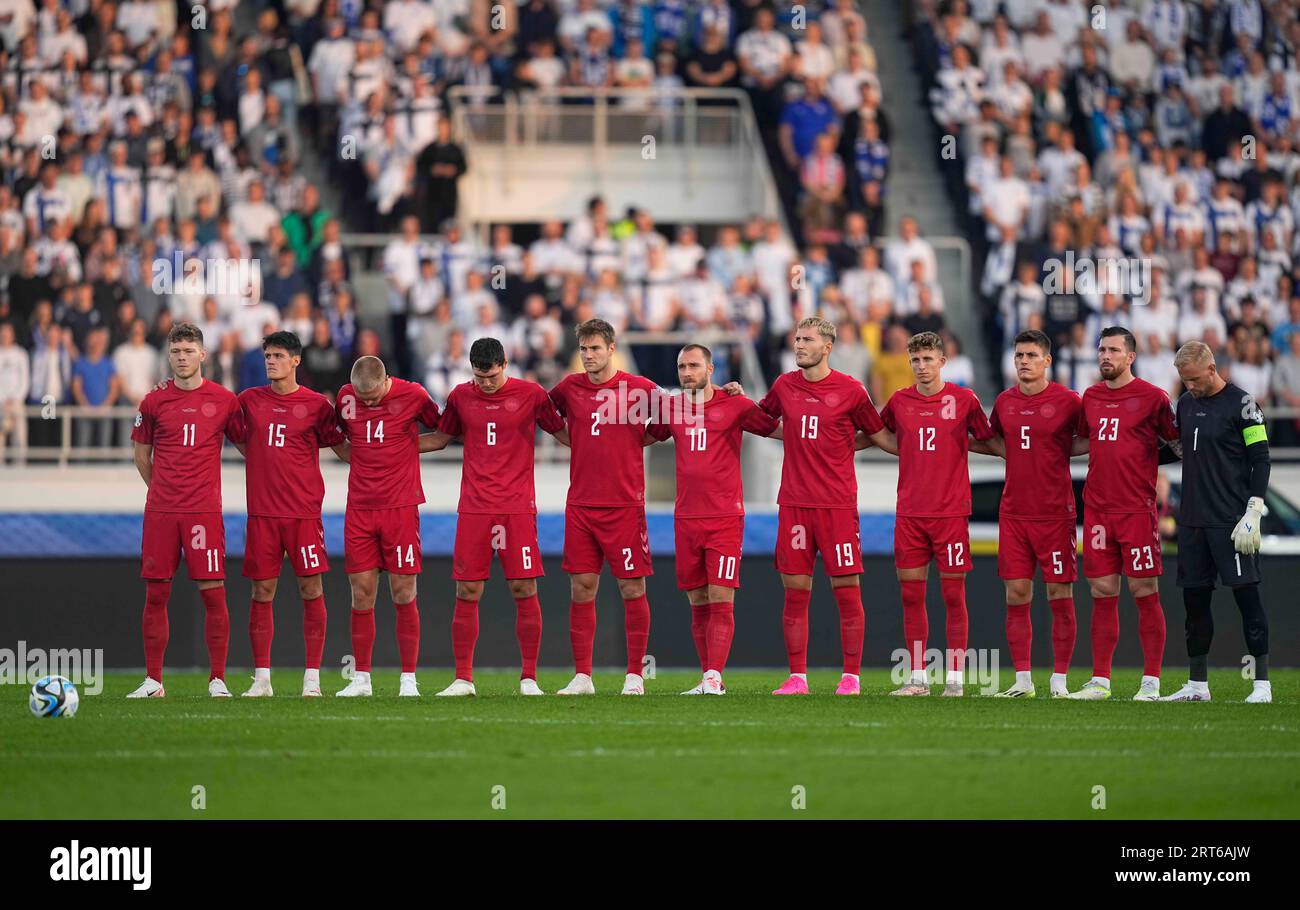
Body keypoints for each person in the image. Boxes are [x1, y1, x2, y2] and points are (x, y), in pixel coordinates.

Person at [419, 337, 570, 697]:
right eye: (479, 377)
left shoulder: (531, 394)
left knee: (524, 586)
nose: (485, 384)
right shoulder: (460, 396)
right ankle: (463, 679)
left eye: (491, 376)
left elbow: (561, 431)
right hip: (474, 507)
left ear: (505, 364)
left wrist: (606, 447)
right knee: (468, 589)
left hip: (517, 507)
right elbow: (441, 438)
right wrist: (387, 447)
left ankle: (529, 678)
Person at [758, 316, 891, 696]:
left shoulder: (851, 390)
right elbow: (762, 419)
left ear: (827, 347)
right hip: (795, 504)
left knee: (847, 590)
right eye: (796, 338)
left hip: (836, 505)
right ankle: (797, 677)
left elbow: (878, 434)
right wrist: (728, 400)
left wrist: (843, 444)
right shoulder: (784, 385)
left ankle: (851, 677)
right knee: (795, 591)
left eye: (807, 340)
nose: (798, 345)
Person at [644, 343, 778, 695]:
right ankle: (707, 677)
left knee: (721, 596)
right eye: (681, 366)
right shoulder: (671, 408)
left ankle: (714, 676)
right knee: (698, 600)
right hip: (686, 517)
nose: (687, 372)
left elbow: (772, 427)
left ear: (711, 368)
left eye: (693, 366)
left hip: (724, 517)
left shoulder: (734, 405)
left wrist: (747, 395)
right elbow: (643, 436)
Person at [226, 331, 348, 697]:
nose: (270, 361)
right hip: (263, 513)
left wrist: (387, 457)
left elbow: (341, 448)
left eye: (278, 356)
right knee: (262, 590)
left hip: (303, 513)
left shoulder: (317, 405)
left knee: (311, 587)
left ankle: (312, 678)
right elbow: (236, 435)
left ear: (296, 360)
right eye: (267, 356)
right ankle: (262, 678)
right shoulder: (248, 401)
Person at [878, 332, 995, 697]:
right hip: (911, 513)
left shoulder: (964, 400)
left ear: (943, 362)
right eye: (915, 360)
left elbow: (987, 438)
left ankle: (956, 679)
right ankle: (917, 679)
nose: (921, 367)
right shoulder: (899, 401)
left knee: (952, 596)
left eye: (928, 359)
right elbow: (878, 432)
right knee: (911, 596)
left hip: (950, 514)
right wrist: (904, 449)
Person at [126, 323, 240, 699]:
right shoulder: (154, 401)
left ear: (203, 355)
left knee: (213, 593)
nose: (181, 357)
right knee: (156, 594)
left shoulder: (224, 400)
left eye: (189, 350)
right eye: (176, 351)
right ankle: (154, 681)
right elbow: (142, 456)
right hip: (161, 511)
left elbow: (250, 445)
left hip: (203, 512)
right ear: (169, 355)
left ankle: (218, 679)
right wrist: (163, 490)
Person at [547, 319, 660, 696]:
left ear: (612, 349)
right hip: (581, 505)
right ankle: (583, 676)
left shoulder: (639, 389)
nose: (588, 355)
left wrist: (634, 439)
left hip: (624, 505)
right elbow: (546, 416)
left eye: (595, 348)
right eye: (583, 349)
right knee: (581, 587)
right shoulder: (569, 387)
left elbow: (676, 414)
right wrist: (574, 439)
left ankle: (635, 676)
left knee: (631, 587)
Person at [1069, 327, 1179, 701]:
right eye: (1101, 350)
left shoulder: (1153, 398)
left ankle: (1151, 682)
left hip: (1137, 509)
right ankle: (1100, 680)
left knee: (1144, 590)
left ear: (1130, 357)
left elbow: (1178, 444)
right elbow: (1086, 441)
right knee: (1102, 591)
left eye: (1113, 350)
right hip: (1098, 509)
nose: (1105, 356)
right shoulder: (1091, 397)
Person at [1161, 341, 1273, 703]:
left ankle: (1262, 685)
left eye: (1193, 379)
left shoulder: (1242, 404)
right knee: (1194, 602)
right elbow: (1177, 449)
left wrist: (1254, 509)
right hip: (1192, 520)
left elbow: (1261, 457)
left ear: (1212, 369)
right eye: (1183, 380)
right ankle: (1197, 685)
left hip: (1230, 519)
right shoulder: (1187, 404)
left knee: (1247, 596)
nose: (1189, 385)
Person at [333, 356, 442, 697]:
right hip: (360, 508)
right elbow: (334, 437)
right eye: (361, 397)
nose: (367, 402)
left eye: (373, 397)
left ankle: (408, 678)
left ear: (385, 381)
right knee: (362, 592)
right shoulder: (344, 398)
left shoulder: (414, 395)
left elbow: (442, 432)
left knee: (403, 591)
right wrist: (363, 454)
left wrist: (404, 450)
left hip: (400, 506)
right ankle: (361, 679)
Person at [988, 330, 1086, 698]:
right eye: (1019, 356)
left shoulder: (1068, 401)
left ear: (1047, 360)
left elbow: (1091, 438)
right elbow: (994, 438)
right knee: (1016, 593)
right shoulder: (1004, 402)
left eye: (1031, 355)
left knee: (1059, 592)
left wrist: (1058, 451)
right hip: (1014, 512)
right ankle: (1023, 681)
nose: (1023, 361)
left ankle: (1059, 679)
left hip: (1055, 513)